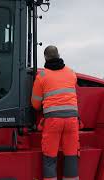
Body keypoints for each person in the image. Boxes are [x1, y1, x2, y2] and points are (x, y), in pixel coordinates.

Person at [31, 45, 79, 180]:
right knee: (71, 155)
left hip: (53, 122)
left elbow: (35, 105)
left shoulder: (42, 76)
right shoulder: (71, 73)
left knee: (50, 157)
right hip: (72, 121)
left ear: (45, 57)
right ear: (58, 55)